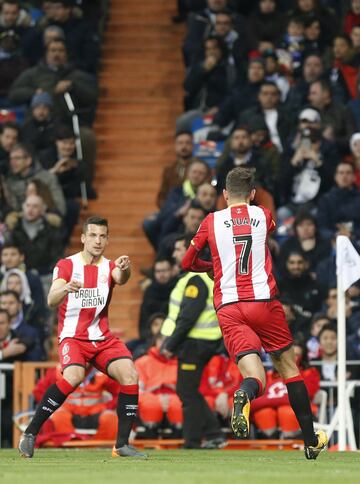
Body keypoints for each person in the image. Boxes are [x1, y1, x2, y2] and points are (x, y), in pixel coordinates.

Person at [182, 166, 328, 459]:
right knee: (288, 368)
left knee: (254, 373)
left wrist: (212, 268)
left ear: (223, 195)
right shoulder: (263, 215)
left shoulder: (210, 221)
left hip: (229, 307)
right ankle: (310, 440)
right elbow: (261, 232)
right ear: (251, 194)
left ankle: (245, 393)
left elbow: (187, 262)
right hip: (263, 301)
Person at [18, 216, 147, 459]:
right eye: (93, 235)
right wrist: (64, 288)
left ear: (107, 239)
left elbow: (121, 278)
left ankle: (121, 445)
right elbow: (50, 299)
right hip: (73, 337)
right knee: (74, 376)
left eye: (102, 236)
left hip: (102, 337)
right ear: (83, 238)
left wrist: (126, 267)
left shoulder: (109, 267)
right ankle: (31, 433)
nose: (98, 241)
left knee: (130, 375)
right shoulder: (67, 265)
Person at [160, 233, 225, 449]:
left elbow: (188, 317)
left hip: (195, 343)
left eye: (179, 249)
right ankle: (213, 434)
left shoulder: (195, 279)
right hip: (202, 342)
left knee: (186, 391)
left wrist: (170, 344)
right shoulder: (200, 276)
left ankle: (193, 440)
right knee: (188, 390)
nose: (175, 253)